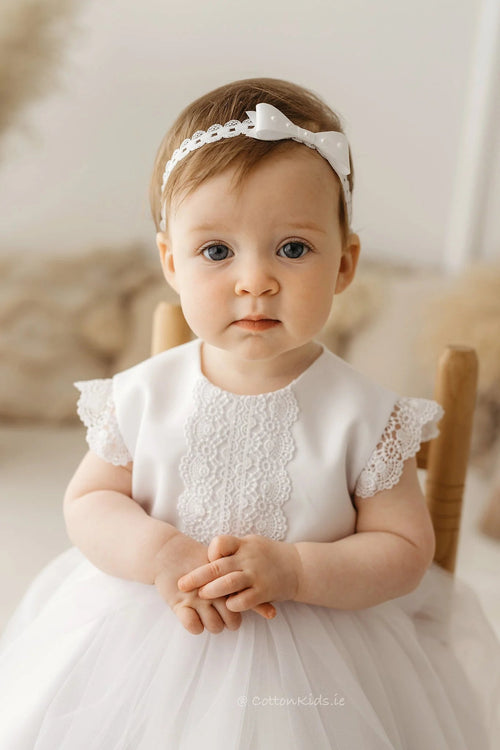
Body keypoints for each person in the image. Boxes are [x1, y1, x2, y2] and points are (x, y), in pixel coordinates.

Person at [0, 77, 499, 749]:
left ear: (345, 263)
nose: (255, 279)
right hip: (149, 633)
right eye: (216, 251)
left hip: (321, 660)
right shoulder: (143, 394)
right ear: (171, 262)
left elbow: (405, 552)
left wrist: (296, 571)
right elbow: (89, 501)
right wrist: (161, 555)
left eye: (294, 248)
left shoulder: (365, 417)